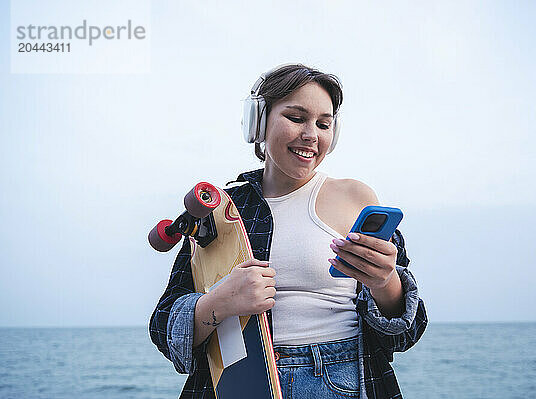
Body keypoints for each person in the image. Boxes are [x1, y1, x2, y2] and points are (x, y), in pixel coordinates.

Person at [150, 63, 428, 399]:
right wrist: (220, 301)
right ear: (258, 121)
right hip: (240, 384)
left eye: (324, 124)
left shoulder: (356, 197)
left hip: (345, 379)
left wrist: (386, 283)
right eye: (296, 118)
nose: (312, 134)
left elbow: (405, 333)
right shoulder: (220, 209)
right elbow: (165, 328)